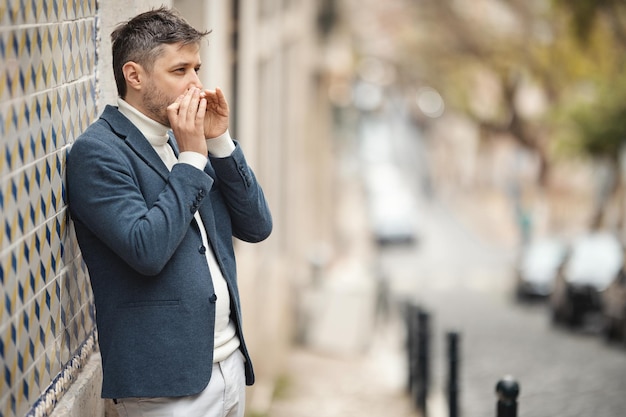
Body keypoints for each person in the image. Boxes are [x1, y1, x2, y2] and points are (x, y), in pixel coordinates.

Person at [66, 7, 272, 417]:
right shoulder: (98, 153)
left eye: (196, 68)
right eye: (180, 70)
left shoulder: (185, 140)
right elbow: (147, 250)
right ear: (135, 76)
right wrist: (193, 160)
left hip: (229, 364)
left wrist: (220, 144)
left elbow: (257, 226)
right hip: (165, 387)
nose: (196, 84)